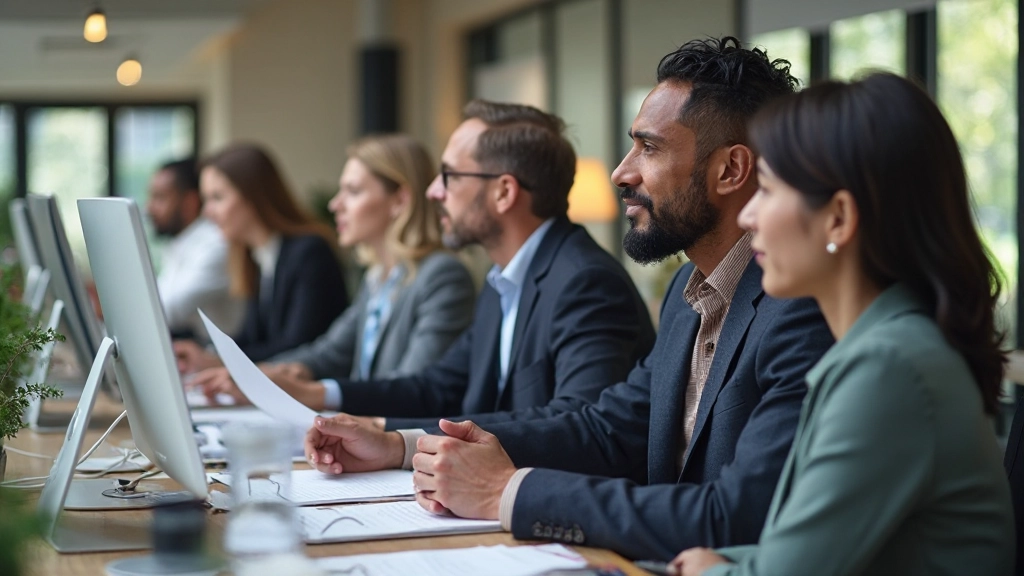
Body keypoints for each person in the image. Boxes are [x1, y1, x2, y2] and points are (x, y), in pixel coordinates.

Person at [303, 37, 834, 560]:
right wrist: (403, 447)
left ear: (731, 171)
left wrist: (504, 492)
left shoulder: (800, 309)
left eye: (649, 147)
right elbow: (606, 429)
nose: (621, 172)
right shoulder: (686, 292)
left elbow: (737, 517)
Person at [667, 73, 1014, 576]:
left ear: (838, 219)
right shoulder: (885, 347)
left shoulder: (888, 367)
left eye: (766, 189)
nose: (748, 217)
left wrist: (707, 570)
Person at [282, 99, 655, 426]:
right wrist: (321, 396)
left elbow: (576, 420)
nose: (433, 192)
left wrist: (397, 441)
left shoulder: (586, 282)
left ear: (504, 192)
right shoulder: (502, 282)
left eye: (449, 176)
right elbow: (436, 388)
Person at [189, 134, 476, 407]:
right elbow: (328, 352)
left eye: (353, 191)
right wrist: (255, 376)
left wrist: (312, 391)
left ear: (399, 201)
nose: (335, 204)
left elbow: (413, 390)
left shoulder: (442, 276)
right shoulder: (378, 277)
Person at [174, 143, 348, 368]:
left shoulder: (310, 253)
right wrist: (207, 353)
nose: (207, 212)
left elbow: (296, 345)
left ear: (253, 197)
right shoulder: (257, 256)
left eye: (217, 198)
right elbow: (251, 338)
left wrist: (216, 360)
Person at [146, 158, 244, 343]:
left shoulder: (216, 243)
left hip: (223, 354)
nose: (149, 207)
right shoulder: (180, 243)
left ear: (190, 202)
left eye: (160, 198)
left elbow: (165, 312)